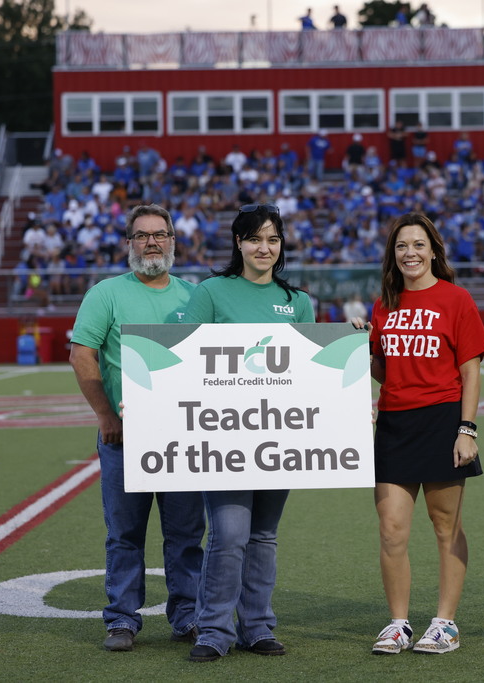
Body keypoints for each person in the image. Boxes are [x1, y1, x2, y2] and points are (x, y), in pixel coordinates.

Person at [68, 204, 206, 652]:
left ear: (173, 241)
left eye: (160, 234)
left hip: (182, 437)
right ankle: (122, 619)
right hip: (125, 437)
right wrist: (106, 415)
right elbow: (82, 354)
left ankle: (188, 617)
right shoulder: (106, 293)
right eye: (142, 235)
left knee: (186, 536)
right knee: (124, 535)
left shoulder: (195, 296)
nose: (152, 242)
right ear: (129, 243)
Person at [185, 203, 315, 663]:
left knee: (263, 536)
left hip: (278, 436)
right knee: (229, 534)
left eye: (273, 239)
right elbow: (179, 360)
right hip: (223, 438)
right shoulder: (211, 292)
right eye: (255, 238)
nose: (265, 247)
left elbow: (312, 372)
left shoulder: (298, 301)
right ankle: (214, 630)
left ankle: (257, 626)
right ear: (238, 242)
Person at [368, 213, 484, 655]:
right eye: (402, 246)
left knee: (445, 526)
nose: (410, 253)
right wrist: (363, 351)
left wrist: (467, 429)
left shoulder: (456, 300)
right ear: (393, 255)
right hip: (394, 423)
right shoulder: (385, 303)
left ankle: (445, 623)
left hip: (442, 421)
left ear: (434, 250)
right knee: (392, 529)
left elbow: (471, 372)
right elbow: (385, 370)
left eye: (419, 245)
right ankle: (398, 623)